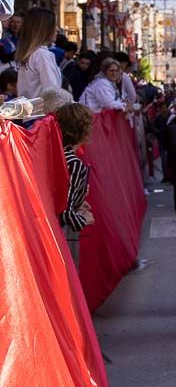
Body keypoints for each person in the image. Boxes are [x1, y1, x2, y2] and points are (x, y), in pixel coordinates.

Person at [56, 103, 94, 268]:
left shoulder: (58, 153)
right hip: (64, 233)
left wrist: (79, 201)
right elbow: (65, 211)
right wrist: (84, 219)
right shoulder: (74, 163)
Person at [15, 7, 62, 101]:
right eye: (54, 25)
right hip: (42, 113)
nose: (57, 29)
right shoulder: (42, 55)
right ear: (44, 29)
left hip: (30, 112)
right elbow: (52, 92)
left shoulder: (31, 53)